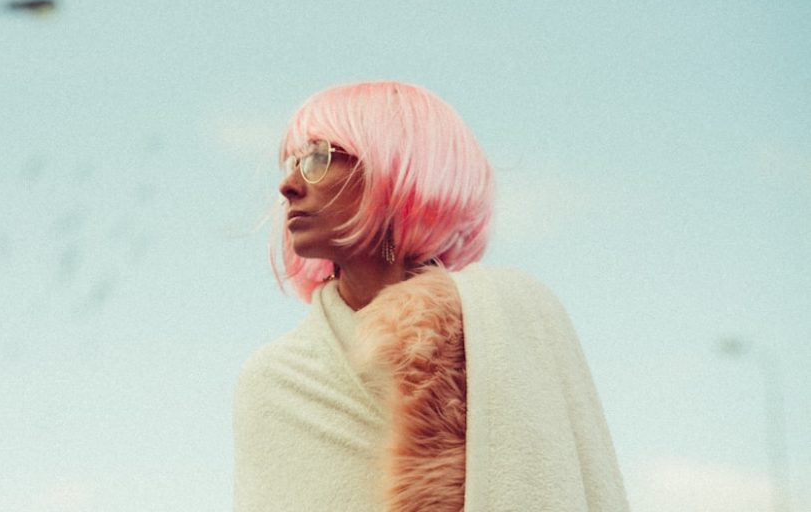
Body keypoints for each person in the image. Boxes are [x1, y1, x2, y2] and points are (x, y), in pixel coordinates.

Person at [234, 81, 629, 512]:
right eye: (291, 163)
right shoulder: (274, 380)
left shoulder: (512, 323)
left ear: (397, 169)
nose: (287, 185)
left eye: (317, 158)